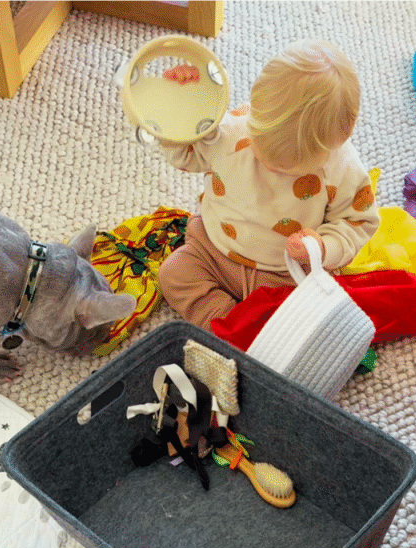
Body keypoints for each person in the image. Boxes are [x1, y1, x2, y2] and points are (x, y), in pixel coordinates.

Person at [157, 39, 380, 330]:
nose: (273, 167)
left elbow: (358, 223)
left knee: (316, 319)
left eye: (290, 166)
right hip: (215, 250)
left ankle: (252, 329)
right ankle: (230, 327)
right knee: (174, 275)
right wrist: (180, 104)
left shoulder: (343, 169)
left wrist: (323, 247)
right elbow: (186, 154)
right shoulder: (232, 133)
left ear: (344, 136)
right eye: (263, 151)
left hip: (286, 272)